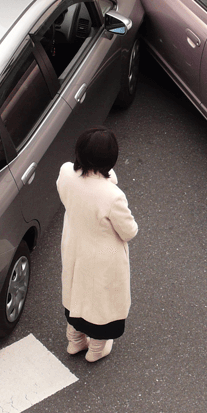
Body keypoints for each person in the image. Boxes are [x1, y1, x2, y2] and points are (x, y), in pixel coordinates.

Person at [56, 127, 138, 362]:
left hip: (74, 246)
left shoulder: (65, 174)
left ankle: (75, 341)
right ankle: (96, 350)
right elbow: (129, 231)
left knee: (75, 295)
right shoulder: (112, 196)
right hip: (103, 256)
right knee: (101, 304)